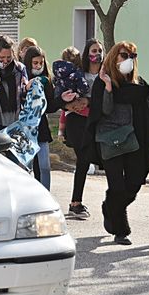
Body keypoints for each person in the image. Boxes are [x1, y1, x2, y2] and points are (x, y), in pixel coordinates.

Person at [84, 41, 149, 245]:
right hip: (110, 140)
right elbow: (104, 110)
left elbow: (147, 108)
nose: (128, 60)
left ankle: (109, 207)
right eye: (124, 55)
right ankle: (120, 230)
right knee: (117, 186)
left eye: (132, 56)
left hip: (133, 140)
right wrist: (109, 88)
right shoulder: (104, 81)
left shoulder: (138, 83)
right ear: (114, 57)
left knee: (135, 182)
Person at [59, 38, 104, 220]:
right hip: (77, 121)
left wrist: (88, 101)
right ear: (87, 54)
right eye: (94, 51)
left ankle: (78, 203)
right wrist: (68, 105)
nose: (97, 54)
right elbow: (61, 97)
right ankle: (75, 203)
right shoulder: (78, 74)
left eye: (100, 50)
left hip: (96, 121)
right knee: (83, 159)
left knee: (90, 161)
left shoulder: (105, 74)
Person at [23, 46, 58, 190]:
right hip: (25, 129)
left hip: (41, 129)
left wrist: (61, 99)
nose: (38, 66)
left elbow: (50, 106)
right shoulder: (22, 77)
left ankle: (46, 194)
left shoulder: (46, 81)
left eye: (40, 63)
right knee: (26, 167)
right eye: (35, 63)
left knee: (45, 166)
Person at [53, 46, 89, 142]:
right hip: (81, 108)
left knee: (64, 114)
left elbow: (56, 89)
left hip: (67, 108)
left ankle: (61, 132)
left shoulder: (58, 73)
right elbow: (84, 87)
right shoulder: (77, 72)